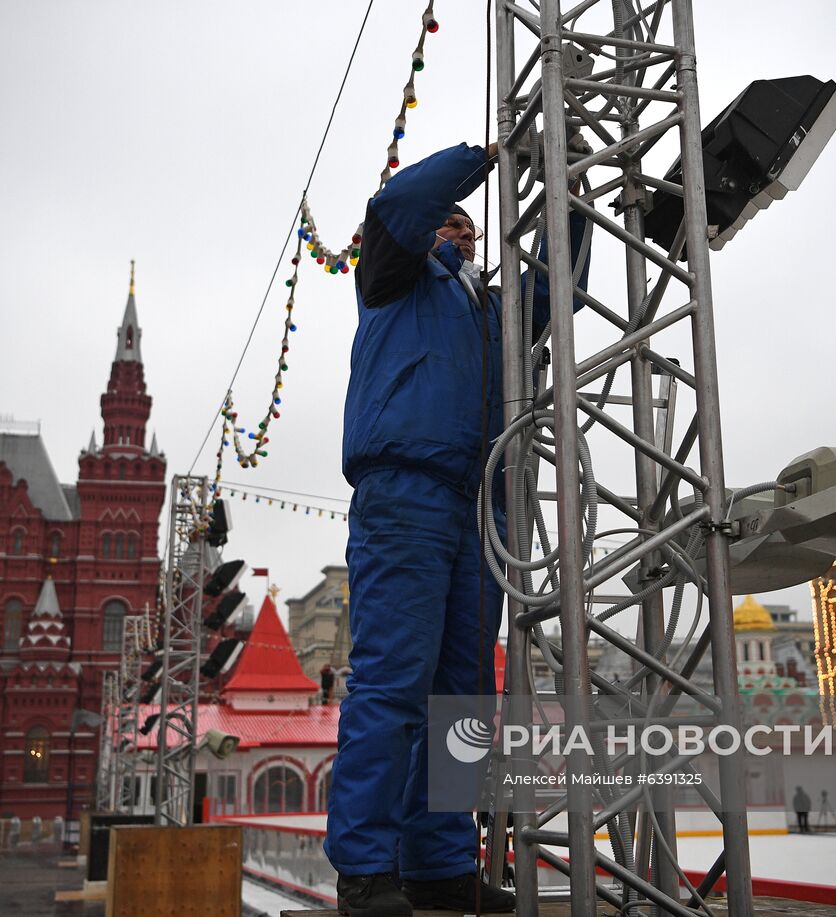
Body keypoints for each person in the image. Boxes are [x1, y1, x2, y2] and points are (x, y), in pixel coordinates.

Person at [326, 141, 590, 917]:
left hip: (481, 502)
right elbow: (395, 208)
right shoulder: (392, 273)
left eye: (471, 227)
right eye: (450, 223)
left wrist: (565, 197)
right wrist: (489, 157)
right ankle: (366, 868)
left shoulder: (490, 307)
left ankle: (440, 862)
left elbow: (556, 292)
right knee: (393, 685)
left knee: (462, 699)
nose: (463, 233)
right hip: (404, 492)